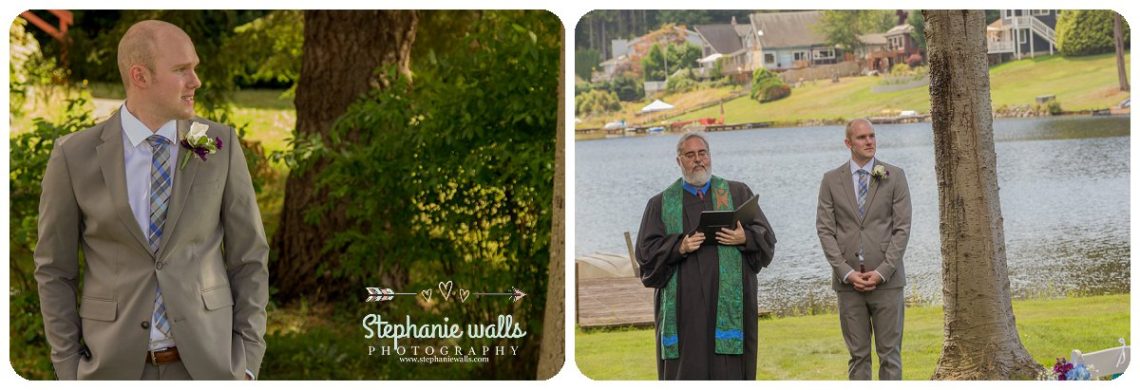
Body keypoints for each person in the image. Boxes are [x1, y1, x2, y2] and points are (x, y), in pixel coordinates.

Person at [34, 20, 269, 380]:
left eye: (195, 68)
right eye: (181, 70)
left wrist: (248, 361)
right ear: (140, 76)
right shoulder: (74, 155)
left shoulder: (219, 144)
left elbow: (249, 257)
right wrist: (69, 369)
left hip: (208, 368)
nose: (196, 81)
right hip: (111, 370)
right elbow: (54, 270)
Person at [635, 132, 777, 380]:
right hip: (684, 308)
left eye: (702, 153)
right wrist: (679, 247)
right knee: (688, 369)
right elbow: (646, 257)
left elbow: (766, 238)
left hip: (731, 304)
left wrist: (745, 238)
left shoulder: (736, 193)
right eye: (690, 155)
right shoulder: (661, 203)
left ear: (710, 156)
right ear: (679, 161)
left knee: (729, 371)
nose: (698, 160)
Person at [815, 118, 911, 380]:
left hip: (887, 283)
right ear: (848, 143)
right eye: (861, 137)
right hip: (848, 286)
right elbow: (825, 230)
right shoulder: (831, 181)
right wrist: (845, 272)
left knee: (890, 354)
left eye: (872, 136)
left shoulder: (895, 176)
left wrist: (883, 272)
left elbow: (902, 229)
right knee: (858, 357)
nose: (869, 141)